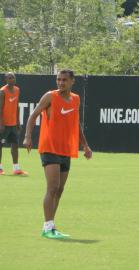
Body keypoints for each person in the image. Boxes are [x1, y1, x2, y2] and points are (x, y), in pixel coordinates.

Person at [23, 69, 92, 239]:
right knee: (52, 187)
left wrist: (85, 145)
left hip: (66, 149)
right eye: (58, 79)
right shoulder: (50, 96)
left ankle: (51, 226)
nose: (61, 83)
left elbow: (76, 124)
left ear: (72, 81)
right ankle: (47, 228)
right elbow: (33, 116)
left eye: (64, 80)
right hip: (49, 147)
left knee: (60, 190)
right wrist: (27, 137)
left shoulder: (75, 99)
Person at [0, 72, 27, 175]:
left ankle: (16, 168)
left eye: (13, 78)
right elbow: (0, 109)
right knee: (0, 145)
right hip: (4, 124)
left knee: (15, 145)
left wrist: (18, 122)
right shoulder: (2, 92)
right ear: (6, 80)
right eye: (10, 78)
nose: (12, 80)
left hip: (13, 124)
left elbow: (17, 106)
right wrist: (1, 124)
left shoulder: (17, 90)